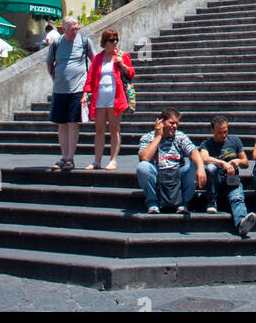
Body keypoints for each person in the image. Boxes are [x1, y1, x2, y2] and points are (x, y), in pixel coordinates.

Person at [46, 16, 96, 171]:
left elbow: (94, 61)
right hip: (60, 88)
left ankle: (70, 158)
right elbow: (49, 62)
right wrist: (55, 76)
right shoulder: (56, 43)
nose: (75, 31)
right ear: (64, 29)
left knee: (72, 122)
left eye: (76, 28)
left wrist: (88, 87)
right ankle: (63, 155)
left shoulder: (84, 41)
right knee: (62, 123)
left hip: (78, 88)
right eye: (72, 29)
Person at [137, 106, 207, 216]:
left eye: (176, 124)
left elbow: (193, 151)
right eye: (171, 123)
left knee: (195, 165)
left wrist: (201, 168)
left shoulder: (180, 136)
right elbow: (145, 157)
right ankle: (153, 202)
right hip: (158, 175)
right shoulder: (147, 137)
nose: (174, 126)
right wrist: (158, 137)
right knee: (143, 167)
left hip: (177, 176)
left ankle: (183, 202)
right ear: (161, 122)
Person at [81, 29, 134, 170]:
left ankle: (113, 160)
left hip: (115, 97)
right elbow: (91, 76)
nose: (115, 42)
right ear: (105, 42)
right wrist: (85, 93)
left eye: (116, 39)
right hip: (100, 97)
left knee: (114, 129)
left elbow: (131, 73)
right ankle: (97, 160)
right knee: (99, 130)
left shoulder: (122, 56)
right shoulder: (98, 58)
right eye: (111, 40)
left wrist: (122, 64)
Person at [200, 115, 256, 237]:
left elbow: (246, 162)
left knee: (238, 198)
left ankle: (242, 223)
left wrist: (238, 161)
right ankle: (211, 201)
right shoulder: (206, 144)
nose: (224, 135)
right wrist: (222, 163)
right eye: (220, 133)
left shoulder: (235, 140)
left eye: (226, 131)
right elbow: (203, 158)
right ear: (212, 131)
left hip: (232, 180)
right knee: (210, 168)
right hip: (215, 180)